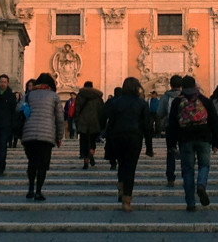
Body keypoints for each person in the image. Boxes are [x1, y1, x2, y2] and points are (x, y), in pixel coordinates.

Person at [167, 75, 218, 211]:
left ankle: (190, 203)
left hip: (185, 140)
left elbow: (171, 124)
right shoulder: (204, 100)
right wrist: (215, 142)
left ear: (182, 87)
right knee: (204, 165)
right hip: (203, 138)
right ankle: (201, 184)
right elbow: (214, 121)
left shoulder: (177, 102)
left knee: (188, 171)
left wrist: (171, 144)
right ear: (195, 86)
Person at [104, 76, 154, 212]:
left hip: (117, 136)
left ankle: (121, 186)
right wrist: (149, 147)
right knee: (130, 168)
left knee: (121, 164)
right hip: (134, 137)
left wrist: (108, 143)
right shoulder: (142, 103)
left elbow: (110, 123)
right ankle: (127, 200)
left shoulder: (116, 103)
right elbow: (147, 126)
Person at [20, 72, 65, 201]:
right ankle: (38, 191)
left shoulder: (29, 95)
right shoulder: (54, 96)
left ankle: (30, 189)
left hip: (29, 134)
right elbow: (60, 119)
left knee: (32, 162)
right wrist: (59, 137)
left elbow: (19, 108)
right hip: (46, 135)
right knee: (43, 164)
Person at [157, 74, 182, 186]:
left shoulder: (166, 96)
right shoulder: (185, 96)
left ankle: (170, 177)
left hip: (170, 127)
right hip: (184, 127)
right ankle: (186, 174)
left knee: (170, 151)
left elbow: (159, 113)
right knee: (185, 151)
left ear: (170, 84)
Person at [73, 81, 105, 170]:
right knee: (92, 141)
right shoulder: (98, 97)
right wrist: (101, 123)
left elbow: (77, 109)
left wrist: (77, 120)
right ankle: (91, 152)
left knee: (84, 143)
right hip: (95, 123)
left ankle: (86, 162)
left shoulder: (80, 96)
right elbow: (101, 111)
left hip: (83, 123)